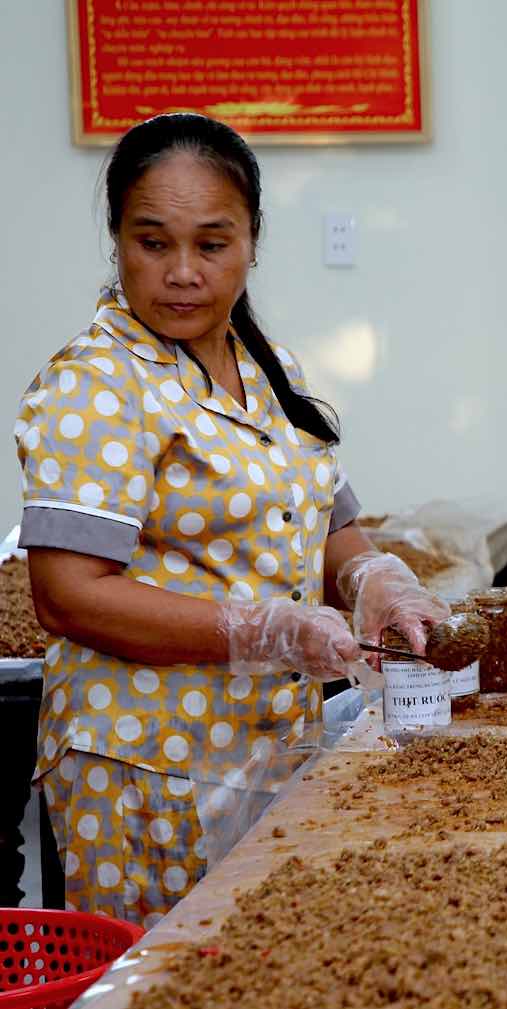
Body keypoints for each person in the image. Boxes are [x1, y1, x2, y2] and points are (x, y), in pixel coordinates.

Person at [14, 113, 448, 924]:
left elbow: (325, 523)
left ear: (252, 241)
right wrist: (261, 631)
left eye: (211, 245)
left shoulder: (265, 365)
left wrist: (375, 577)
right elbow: (67, 594)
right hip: (144, 766)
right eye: (153, 243)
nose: (182, 272)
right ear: (116, 239)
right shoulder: (98, 382)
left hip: (261, 746)